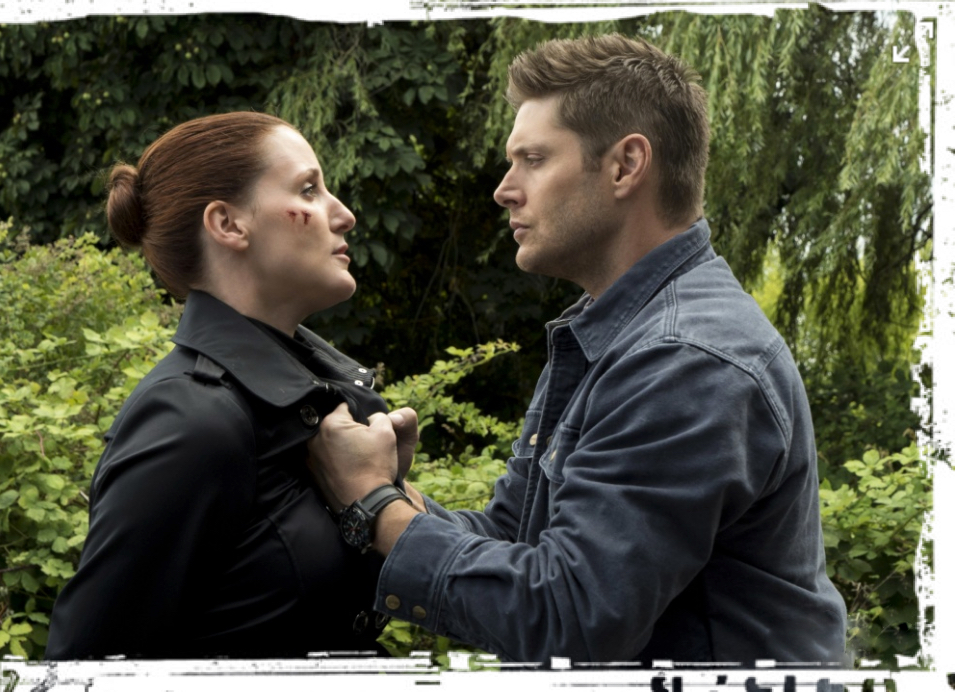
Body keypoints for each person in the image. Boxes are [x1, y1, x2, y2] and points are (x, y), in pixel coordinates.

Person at [305, 34, 849, 666]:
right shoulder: (610, 332)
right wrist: (388, 490)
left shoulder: (685, 359)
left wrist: (373, 507)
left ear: (625, 165)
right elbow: (514, 538)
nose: (504, 190)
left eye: (533, 159)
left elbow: (569, 618)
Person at [45, 112, 417, 659]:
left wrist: (385, 497)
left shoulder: (309, 403)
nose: (344, 214)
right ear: (228, 224)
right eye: (308, 190)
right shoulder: (190, 420)